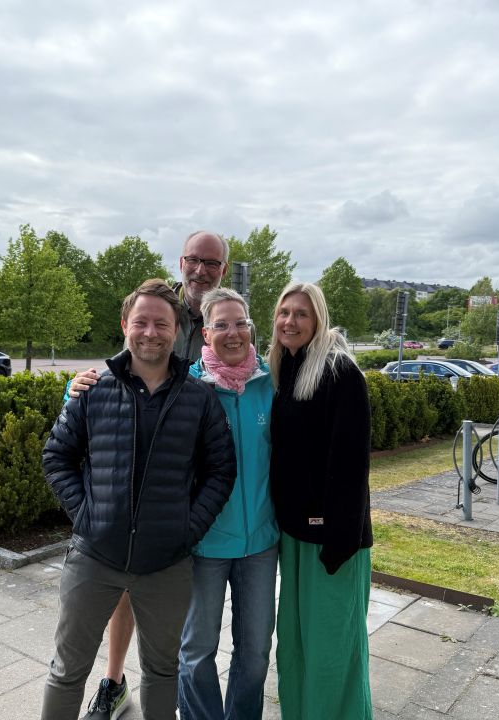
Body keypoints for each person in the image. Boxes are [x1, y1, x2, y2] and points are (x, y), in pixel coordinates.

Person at [41, 279, 237, 720]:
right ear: (124, 325)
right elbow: (57, 456)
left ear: (176, 330)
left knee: (163, 672)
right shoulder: (93, 389)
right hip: (94, 557)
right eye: (141, 322)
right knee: (67, 671)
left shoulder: (200, 398)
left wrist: (187, 529)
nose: (151, 332)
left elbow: (221, 471)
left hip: (167, 564)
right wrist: (86, 516)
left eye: (161, 324)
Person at [267, 281, 373, 720]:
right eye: (284, 312)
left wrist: (338, 541)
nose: (290, 321)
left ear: (318, 319)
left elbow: (351, 464)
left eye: (301, 314)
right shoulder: (285, 368)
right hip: (294, 536)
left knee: (331, 648)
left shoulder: (339, 372)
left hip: (332, 541)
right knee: (295, 645)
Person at [178, 288, 278, 720]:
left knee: (255, 652)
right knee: (197, 651)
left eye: (241, 323)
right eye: (221, 325)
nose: (233, 333)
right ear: (206, 333)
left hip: (261, 543)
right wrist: (73, 389)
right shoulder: (187, 388)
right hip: (205, 545)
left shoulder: (272, 383)